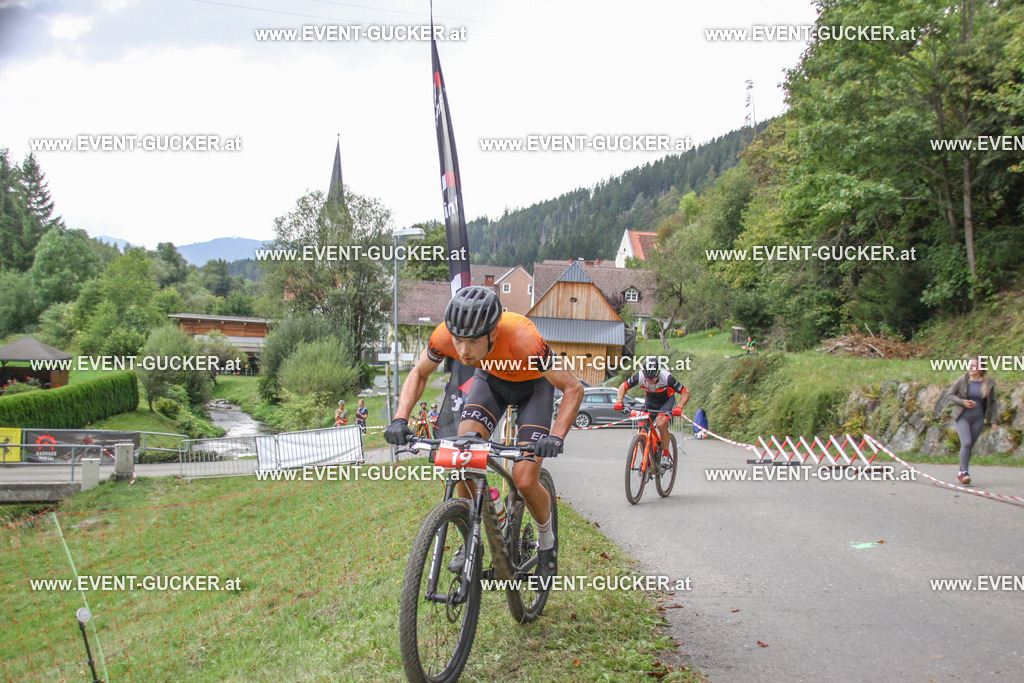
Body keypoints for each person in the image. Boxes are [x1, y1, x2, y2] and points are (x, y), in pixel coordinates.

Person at [384, 285, 584, 580]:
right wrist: (400, 419)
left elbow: (573, 387)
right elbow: (419, 372)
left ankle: (547, 543)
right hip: (490, 381)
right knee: (461, 456)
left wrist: (556, 437)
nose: (464, 350)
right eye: (459, 340)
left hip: (534, 388)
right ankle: (477, 531)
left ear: (493, 333)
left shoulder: (523, 336)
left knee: (525, 480)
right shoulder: (444, 335)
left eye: (474, 341)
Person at [614, 356, 690, 469]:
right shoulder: (639, 376)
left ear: (658, 373)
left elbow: (686, 392)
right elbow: (622, 387)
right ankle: (647, 460)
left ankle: (665, 454)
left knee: (661, 424)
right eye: (648, 379)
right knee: (642, 430)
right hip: (650, 401)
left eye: (653, 379)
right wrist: (619, 400)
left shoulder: (666, 377)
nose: (650, 381)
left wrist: (679, 407)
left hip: (666, 401)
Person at [946, 357, 998, 485]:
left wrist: (993, 420)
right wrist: (962, 402)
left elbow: (992, 403)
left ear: (980, 369)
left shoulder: (988, 382)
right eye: (969, 365)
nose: (970, 368)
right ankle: (964, 473)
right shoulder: (963, 380)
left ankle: (962, 473)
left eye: (973, 366)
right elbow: (950, 395)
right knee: (967, 443)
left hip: (978, 418)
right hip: (963, 416)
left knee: (969, 447)